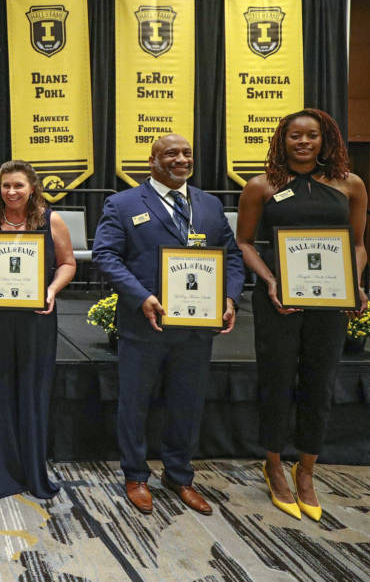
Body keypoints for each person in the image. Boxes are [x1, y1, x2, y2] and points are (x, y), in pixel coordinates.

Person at [92, 133, 243, 516]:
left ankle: (179, 475)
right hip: (145, 324)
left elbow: (233, 257)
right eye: (171, 153)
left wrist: (229, 297)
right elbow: (106, 255)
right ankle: (135, 475)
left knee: (187, 404)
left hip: (197, 328)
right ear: (152, 161)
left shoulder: (209, 205)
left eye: (187, 153)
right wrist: (140, 296)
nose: (181, 159)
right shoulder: (123, 203)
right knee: (135, 404)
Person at [235, 109, 367, 521]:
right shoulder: (261, 186)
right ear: (283, 140)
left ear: (326, 140)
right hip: (278, 299)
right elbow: (244, 243)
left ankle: (306, 469)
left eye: (312, 135)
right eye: (295, 136)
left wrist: (356, 283)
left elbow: (359, 245)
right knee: (276, 377)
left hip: (330, 300)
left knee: (320, 379)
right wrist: (271, 281)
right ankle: (274, 463)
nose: (304, 142)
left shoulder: (351, 185)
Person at [0, 160, 76, 499]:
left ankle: (31, 469)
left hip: (37, 316)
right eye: (6, 186)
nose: (11, 192)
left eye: (18, 186)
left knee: (32, 390)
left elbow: (68, 263)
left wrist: (52, 290)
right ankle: (0, 471)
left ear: (32, 188)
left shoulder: (50, 220)